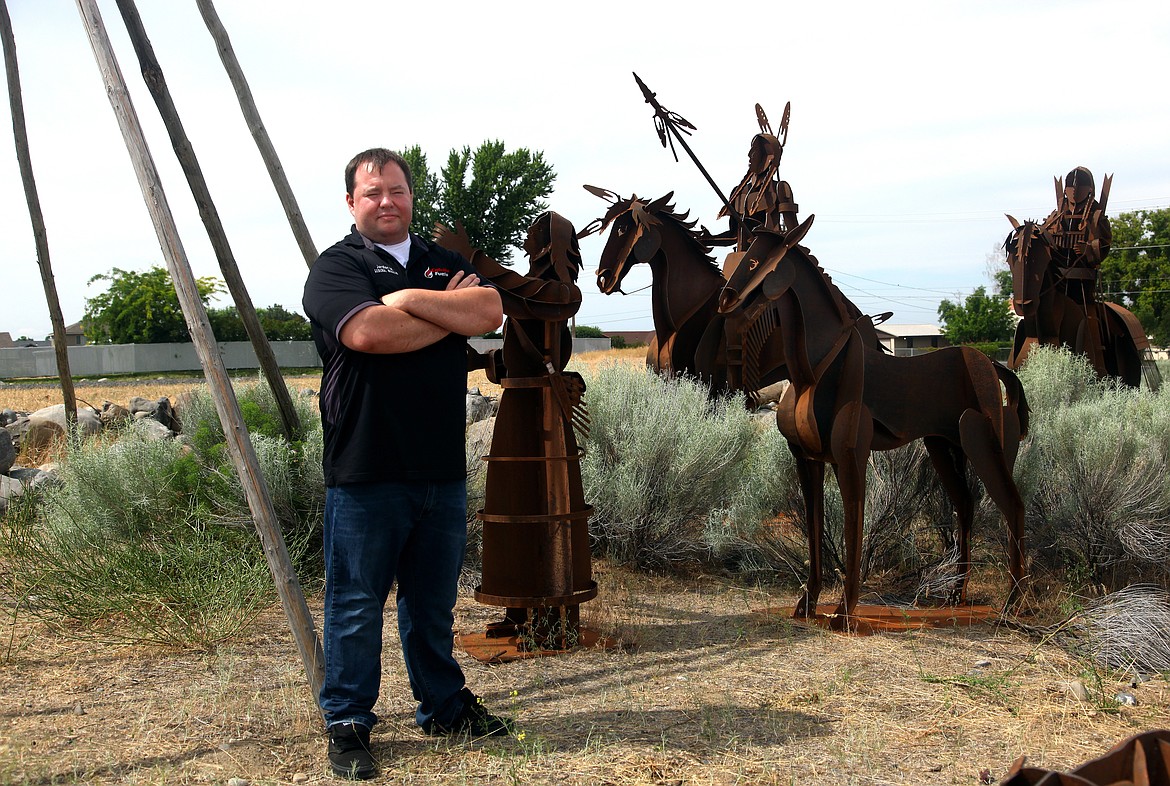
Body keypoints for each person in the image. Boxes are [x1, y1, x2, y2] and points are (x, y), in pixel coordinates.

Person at [302, 148, 506, 780]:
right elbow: (367, 335)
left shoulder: (444, 262)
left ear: (411, 195)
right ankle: (348, 723)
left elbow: (491, 312)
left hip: (440, 466)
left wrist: (409, 299)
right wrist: (446, 314)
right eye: (372, 193)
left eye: (395, 190)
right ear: (351, 203)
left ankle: (444, 705)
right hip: (367, 466)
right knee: (356, 603)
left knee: (432, 600)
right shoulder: (336, 269)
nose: (385, 201)